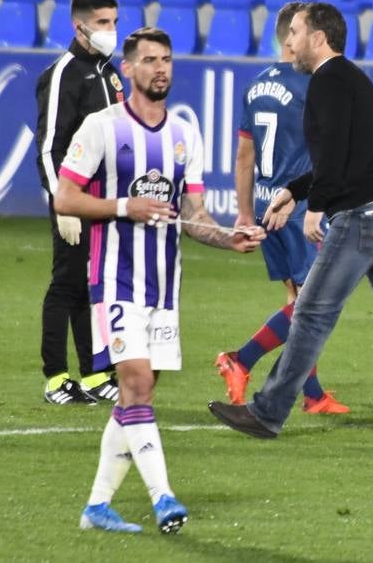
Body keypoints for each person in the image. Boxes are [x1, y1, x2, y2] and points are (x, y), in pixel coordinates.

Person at [207, 2, 373, 443]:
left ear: (319, 38)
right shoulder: (352, 79)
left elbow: (334, 154)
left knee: (311, 314)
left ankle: (266, 412)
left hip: (362, 220)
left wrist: (315, 206)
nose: (290, 41)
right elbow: (345, 156)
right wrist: (293, 192)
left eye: (297, 32)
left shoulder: (326, 83)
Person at [54, 27, 264, 533]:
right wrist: (127, 206)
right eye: (149, 59)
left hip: (163, 290)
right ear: (127, 69)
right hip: (114, 280)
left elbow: (194, 216)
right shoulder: (100, 128)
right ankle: (163, 497)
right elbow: (65, 198)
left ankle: (97, 506)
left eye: (166, 59)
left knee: (135, 397)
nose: (160, 67)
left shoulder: (183, 135)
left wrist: (228, 238)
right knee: (138, 384)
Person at [215, 2, 348, 415]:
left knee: (300, 301)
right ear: (296, 36)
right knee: (314, 302)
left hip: (264, 204)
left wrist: (242, 213)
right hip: (298, 203)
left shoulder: (255, 86)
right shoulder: (313, 84)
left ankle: (312, 395)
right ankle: (241, 359)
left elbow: (243, 155)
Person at [34, 0, 124, 405]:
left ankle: (93, 373)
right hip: (74, 198)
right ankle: (55, 378)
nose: (112, 30)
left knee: (95, 287)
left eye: (114, 22)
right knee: (66, 284)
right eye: (104, 23)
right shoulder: (63, 74)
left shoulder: (108, 72)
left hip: (103, 201)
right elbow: (49, 147)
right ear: (80, 25)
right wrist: (60, 201)